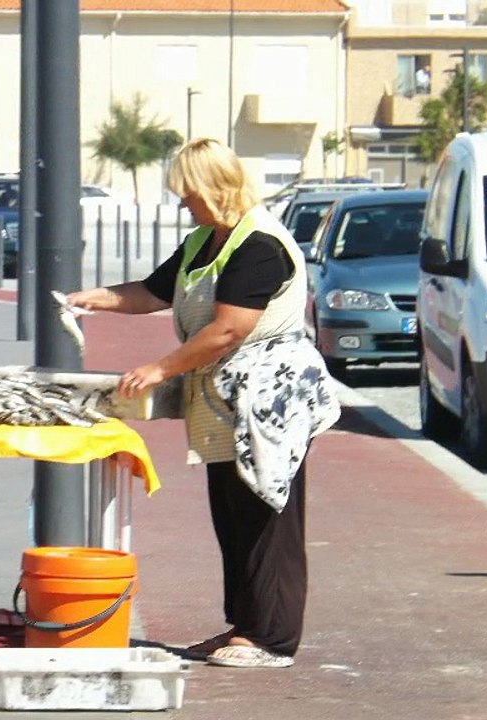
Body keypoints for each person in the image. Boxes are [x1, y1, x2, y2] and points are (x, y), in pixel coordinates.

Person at [66, 138, 341, 669]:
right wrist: (93, 298)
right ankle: (244, 626)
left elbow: (228, 330)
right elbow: (153, 291)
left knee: (267, 513)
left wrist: (160, 367)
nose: (184, 204)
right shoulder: (204, 241)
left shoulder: (260, 244)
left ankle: (273, 638)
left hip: (268, 403)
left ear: (216, 188)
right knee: (233, 515)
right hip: (223, 403)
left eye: (189, 194)